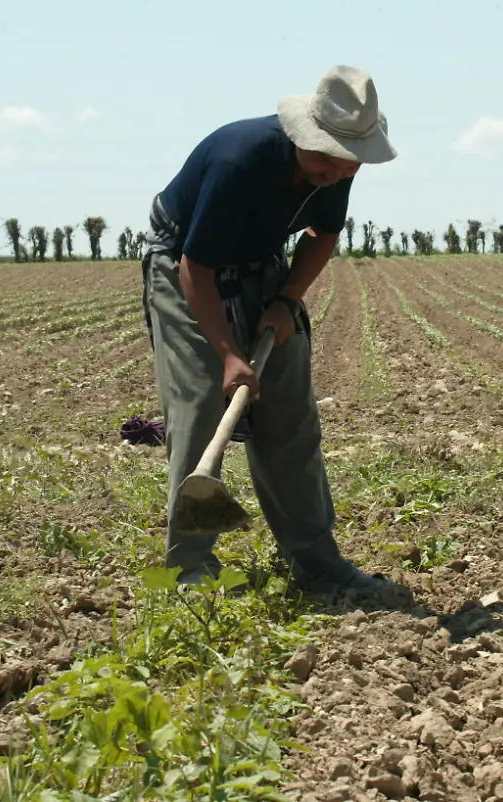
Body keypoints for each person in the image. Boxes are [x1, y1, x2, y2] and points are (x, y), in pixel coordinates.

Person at [139, 65, 396, 591]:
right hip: (185, 264)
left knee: (290, 417)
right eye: (323, 155)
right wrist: (229, 354)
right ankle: (189, 570)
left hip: (262, 266)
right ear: (303, 135)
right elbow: (197, 268)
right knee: (201, 406)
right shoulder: (241, 160)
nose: (334, 170)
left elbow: (321, 235)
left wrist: (285, 300)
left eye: (346, 161)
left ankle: (320, 565)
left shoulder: (338, 169)